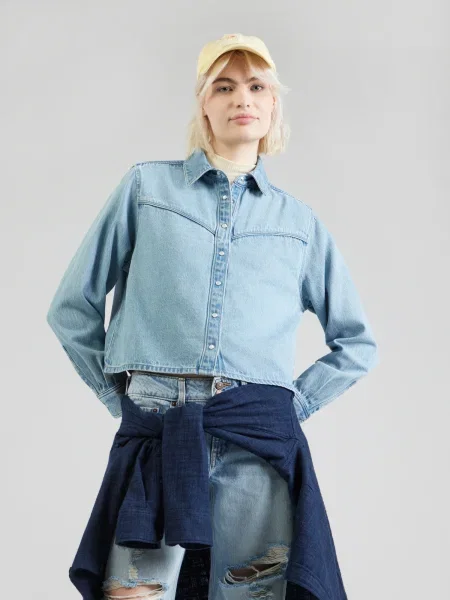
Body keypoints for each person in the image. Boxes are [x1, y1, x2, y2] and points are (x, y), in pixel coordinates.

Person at [47, 33, 378, 600]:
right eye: (223, 87)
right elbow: (70, 307)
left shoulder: (299, 224)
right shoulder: (146, 189)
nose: (241, 98)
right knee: (135, 592)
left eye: (256, 86)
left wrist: (292, 407)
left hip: (255, 444)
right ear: (203, 103)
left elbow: (358, 343)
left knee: (247, 593)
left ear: (273, 105)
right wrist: (118, 398)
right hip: (158, 429)